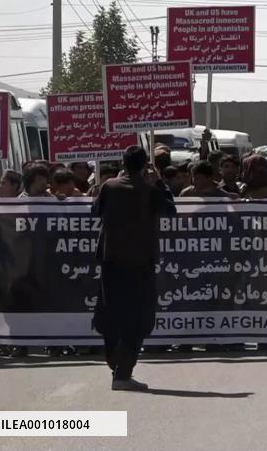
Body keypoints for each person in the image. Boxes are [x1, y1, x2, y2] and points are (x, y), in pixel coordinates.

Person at [92, 145, 176, 390]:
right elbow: (170, 211)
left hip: (111, 262)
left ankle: (114, 361)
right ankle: (123, 372)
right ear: (144, 166)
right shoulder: (150, 190)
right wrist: (159, 183)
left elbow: (95, 211)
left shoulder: (109, 186)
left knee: (112, 311)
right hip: (140, 263)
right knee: (137, 317)